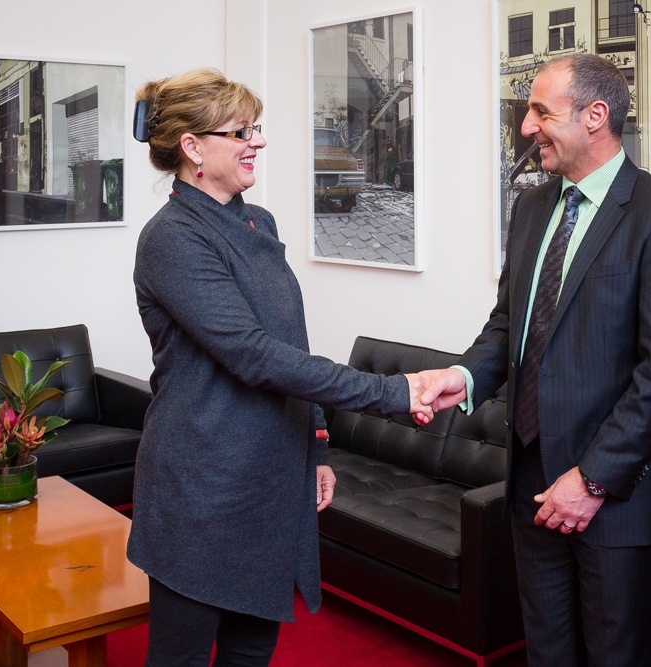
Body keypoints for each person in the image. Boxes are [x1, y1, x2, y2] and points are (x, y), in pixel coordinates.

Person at [127, 69, 432, 667]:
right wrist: (392, 392)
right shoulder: (171, 239)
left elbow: (291, 340)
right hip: (202, 483)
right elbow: (254, 356)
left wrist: (317, 444)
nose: (258, 142)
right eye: (241, 131)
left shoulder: (256, 221)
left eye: (256, 128)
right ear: (193, 148)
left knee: (251, 651)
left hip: (269, 477)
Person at [418, 53, 651, 666]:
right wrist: (464, 374)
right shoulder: (532, 209)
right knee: (547, 654)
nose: (526, 128)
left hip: (617, 499)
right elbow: (510, 325)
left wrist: (593, 478)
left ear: (595, 116)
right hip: (531, 482)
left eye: (540, 112)